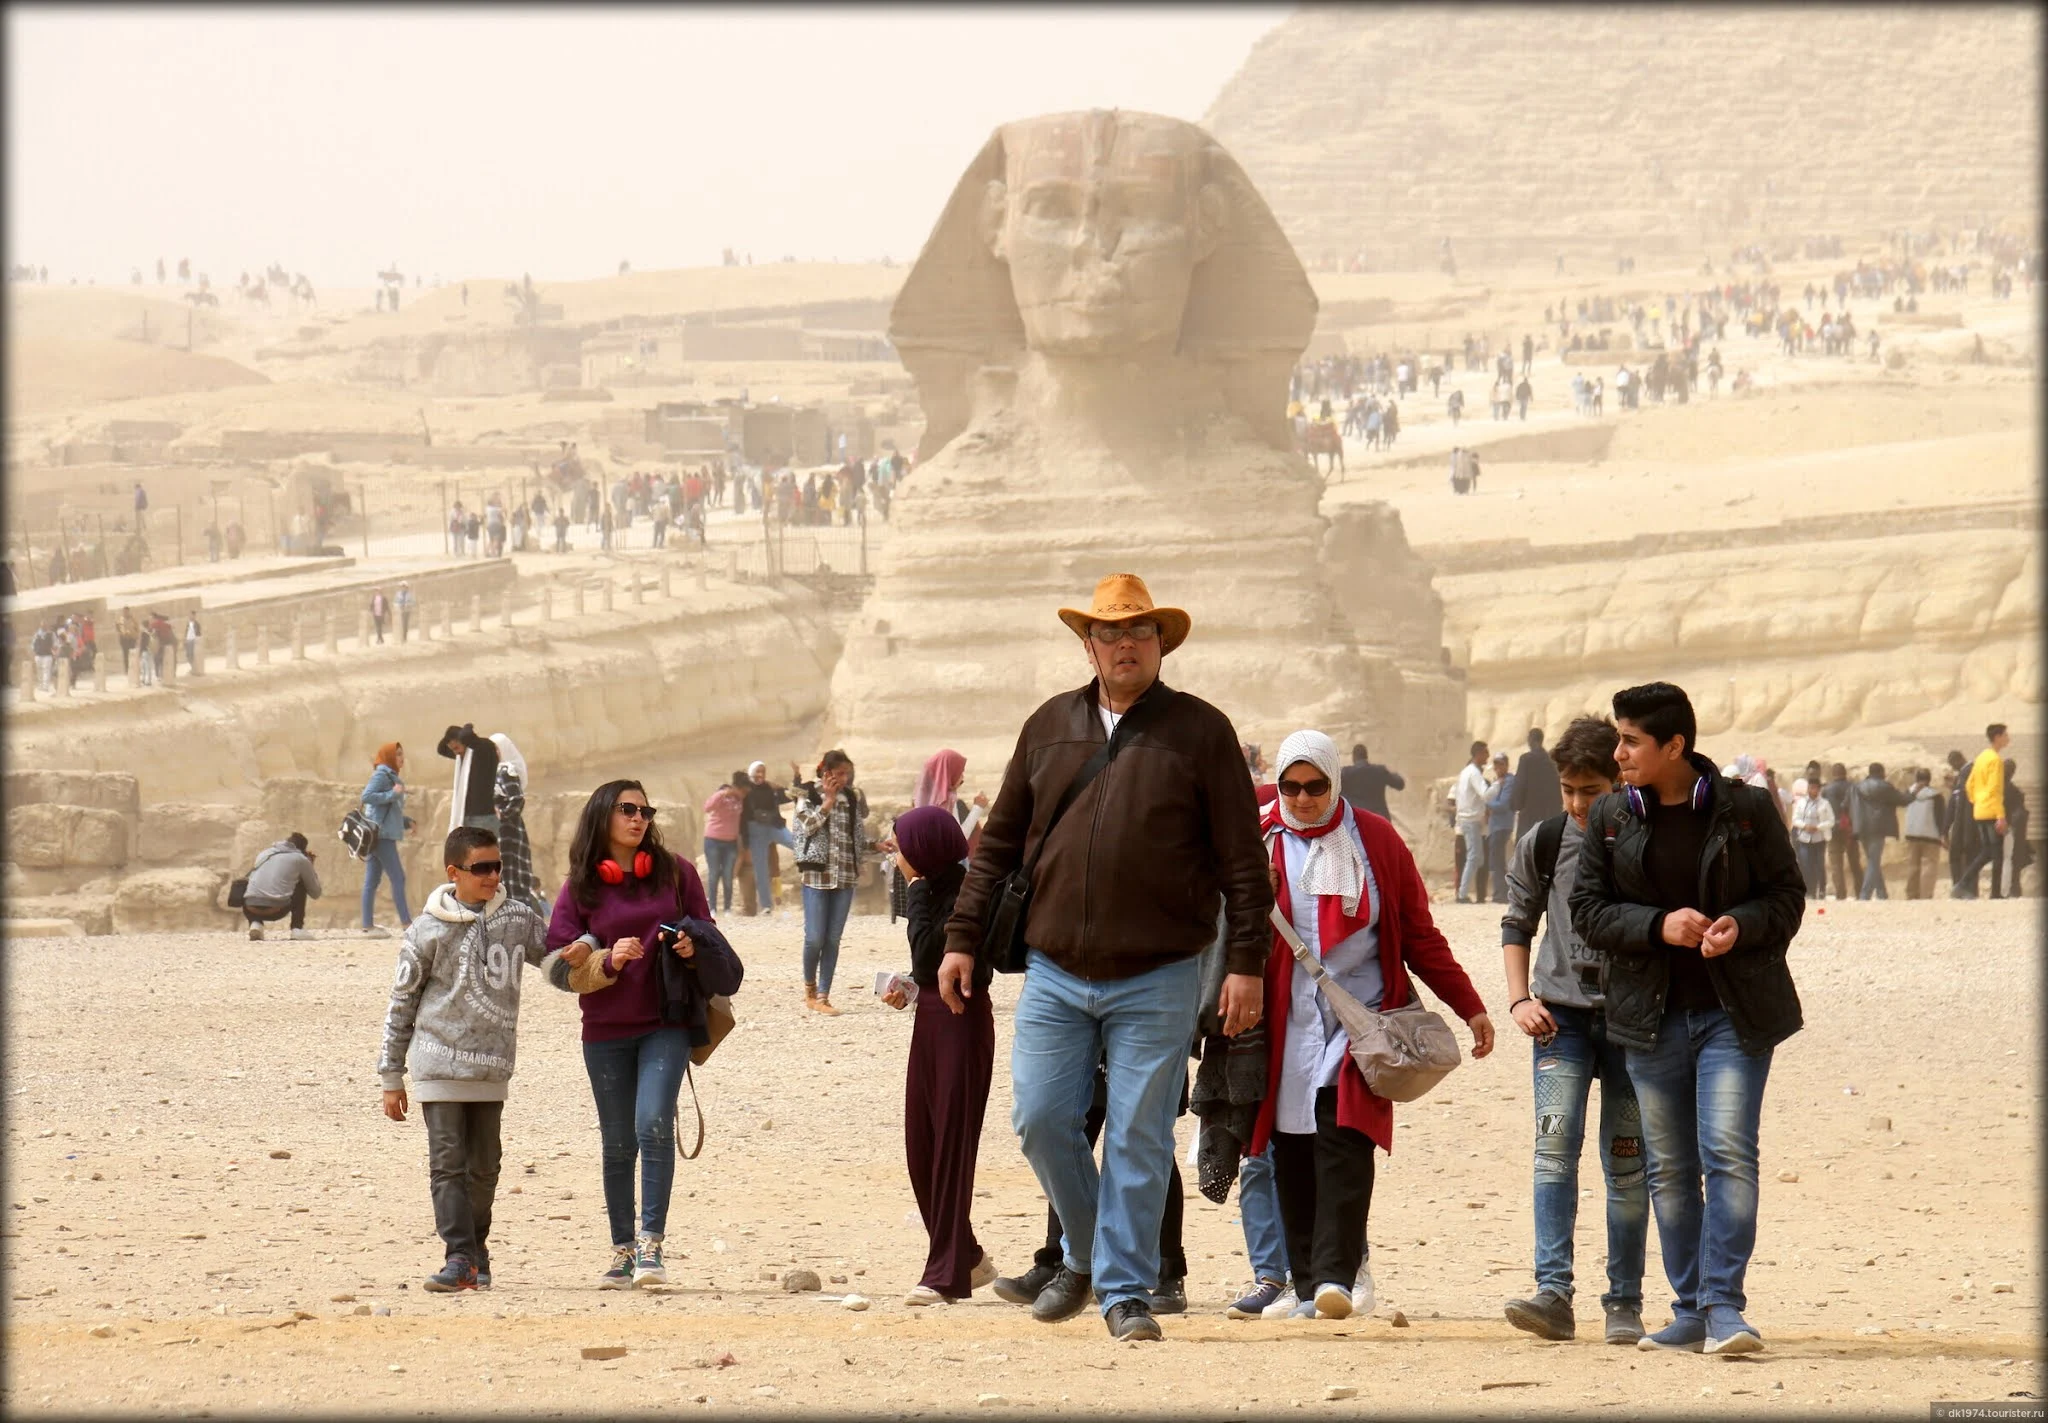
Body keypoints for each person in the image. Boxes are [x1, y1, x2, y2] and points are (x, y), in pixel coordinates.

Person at [941, 573, 1271, 1342]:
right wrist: (962, 938)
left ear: (1162, 643)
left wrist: (1245, 963)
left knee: (1138, 1133)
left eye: (1140, 631)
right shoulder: (1048, 725)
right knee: (1040, 1117)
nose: (1126, 643)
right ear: (1087, 644)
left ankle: (1125, 1290)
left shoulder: (1201, 731)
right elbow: (995, 846)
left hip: (1160, 972)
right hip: (1056, 968)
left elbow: (1243, 864)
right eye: (1111, 632)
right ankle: (1087, 1253)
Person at [1569, 682, 1806, 1357]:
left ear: (1675, 745)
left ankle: (1725, 1305)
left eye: (1631, 740)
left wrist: (1743, 923)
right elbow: (1587, 909)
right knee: (1669, 1167)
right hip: (1650, 1019)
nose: (1617, 752)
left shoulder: (1746, 809)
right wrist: (1657, 924)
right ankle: (1689, 1311)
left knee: (1729, 1153)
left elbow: (1787, 897)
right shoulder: (1614, 815)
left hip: (1734, 1013)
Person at [1249, 729, 1492, 1320]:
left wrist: (1470, 1006)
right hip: (1284, 1020)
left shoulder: (1375, 841)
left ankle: (1335, 1275)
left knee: (1343, 1136)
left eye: (1316, 787)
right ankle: (1305, 1284)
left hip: (1362, 1021)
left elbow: (1418, 935)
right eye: (1291, 787)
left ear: (1335, 783)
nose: (1303, 799)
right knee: (1291, 1146)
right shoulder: (1258, 839)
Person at [545, 779, 743, 1289]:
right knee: (616, 1142)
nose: (638, 818)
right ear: (602, 817)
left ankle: (652, 1245)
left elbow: (708, 931)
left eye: (645, 810)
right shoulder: (582, 886)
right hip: (605, 1029)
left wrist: (691, 948)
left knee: (653, 1122)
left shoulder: (677, 873)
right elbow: (555, 965)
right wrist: (603, 959)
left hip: (667, 1021)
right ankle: (622, 1251)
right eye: (627, 809)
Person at [1499, 714, 1648, 1345]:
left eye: (1592, 790)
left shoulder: (1647, 840)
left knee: (1627, 1165)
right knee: (1554, 1154)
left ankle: (1624, 1301)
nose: (1581, 804)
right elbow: (1517, 923)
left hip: (1633, 1025)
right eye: (1570, 790)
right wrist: (1516, 1000)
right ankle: (1552, 1292)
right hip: (1560, 1024)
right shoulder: (1544, 840)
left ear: (1618, 780)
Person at [377, 826, 552, 1292]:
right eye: (481, 868)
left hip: (491, 1068)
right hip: (436, 1066)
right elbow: (402, 1003)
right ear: (454, 872)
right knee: (448, 1164)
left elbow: (558, 963)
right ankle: (458, 1257)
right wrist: (391, 1075)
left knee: (486, 1167)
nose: (493, 876)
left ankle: (477, 1251)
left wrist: (599, 955)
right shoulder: (425, 931)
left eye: (498, 867)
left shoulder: (519, 919)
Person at [884, 805, 1000, 1305]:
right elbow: (926, 967)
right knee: (921, 1146)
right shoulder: (935, 887)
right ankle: (967, 1256)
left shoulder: (967, 893)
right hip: (930, 1022)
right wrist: (908, 989)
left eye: (901, 847)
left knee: (952, 1146)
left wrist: (913, 887)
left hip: (961, 1023)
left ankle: (945, 1273)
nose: (897, 857)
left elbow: (929, 951)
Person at [791, 749, 873, 1015]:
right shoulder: (806, 795)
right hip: (817, 876)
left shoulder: (851, 797)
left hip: (845, 877)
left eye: (847, 774)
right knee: (814, 938)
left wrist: (876, 846)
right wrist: (826, 801)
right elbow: (806, 827)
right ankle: (809, 989)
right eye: (839, 773)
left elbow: (855, 837)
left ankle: (824, 995)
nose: (844, 779)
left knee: (833, 939)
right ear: (825, 772)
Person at [359, 743, 415, 935]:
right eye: (398, 754)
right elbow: (367, 796)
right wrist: (394, 793)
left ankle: (367, 925)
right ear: (389, 756)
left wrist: (407, 822)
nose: (402, 758)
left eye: (402, 754)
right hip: (381, 835)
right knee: (398, 877)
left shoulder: (392, 776)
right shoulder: (382, 775)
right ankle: (407, 923)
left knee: (372, 880)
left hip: (381, 833)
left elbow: (389, 810)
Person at [1954, 724, 2013, 898]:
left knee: (1988, 851)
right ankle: (1993, 893)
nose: (2008, 738)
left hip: (1980, 810)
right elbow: (1995, 789)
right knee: (1996, 854)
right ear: (1997, 737)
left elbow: (1969, 785)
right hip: (1992, 811)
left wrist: (1977, 801)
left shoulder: (1981, 757)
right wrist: (2000, 816)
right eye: (2005, 735)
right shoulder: (1995, 760)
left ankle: (1963, 884)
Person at [492, 738, 545, 916]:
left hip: (510, 830)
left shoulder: (505, 770)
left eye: (496, 749)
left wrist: (502, 814)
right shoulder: (493, 772)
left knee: (513, 872)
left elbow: (516, 798)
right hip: (501, 830)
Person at [242, 832, 323, 940]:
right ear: (302, 850)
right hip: (276, 910)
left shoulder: (264, 854)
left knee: (255, 884)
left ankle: (256, 924)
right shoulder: (300, 859)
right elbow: (315, 893)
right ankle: (297, 929)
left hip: (250, 908)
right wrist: (309, 866)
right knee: (301, 884)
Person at [741, 761, 796, 915]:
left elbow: (790, 796)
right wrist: (745, 842)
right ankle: (766, 906)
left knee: (797, 845)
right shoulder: (745, 792)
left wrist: (795, 779)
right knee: (761, 870)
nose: (760, 775)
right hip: (755, 831)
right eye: (757, 771)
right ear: (751, 773)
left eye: (763, 772)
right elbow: (742, 817)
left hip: (774, 826)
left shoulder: (770, 788)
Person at [1849, 763, 1908, 900]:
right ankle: (1865, 895)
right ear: (1882, 772)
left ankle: (1882, 894)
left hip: (1862, 828)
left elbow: (1847, 805)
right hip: (1878, 828)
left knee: (1872, 861)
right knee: (1874, 862)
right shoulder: (1884, 787)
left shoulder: (1857, 787)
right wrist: (1912, 792)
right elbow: (1902, 800)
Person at [439, 724, 501, 834]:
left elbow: (482, 744)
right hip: (467, 817)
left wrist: (466, 733)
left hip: (484, 816)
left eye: (456, 747)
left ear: (465, 741)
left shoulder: (482, 752)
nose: (455, 753)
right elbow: (441, 749)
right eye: (452, 749)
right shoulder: (463, 756)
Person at [1900, 767, 1949, 900]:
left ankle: (1911, 894)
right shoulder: (1936, 796)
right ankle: (1925, 895)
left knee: (1912, 865)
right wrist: (1944, 836)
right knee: (1929, 865)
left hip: (1912, 834)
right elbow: (1940, 818)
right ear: (1929, 779)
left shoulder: (1908, 794)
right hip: (1930, 836)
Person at [701, 773, 745, 915]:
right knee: (714, 874)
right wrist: (723, 792)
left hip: (730, 843)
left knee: (727, 876)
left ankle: (727, 908)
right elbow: (707, 807)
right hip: (713, 841)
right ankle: (712, 908)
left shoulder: (739, 800)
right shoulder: (721, 797)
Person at [1454, 740, 1491, 903]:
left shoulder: (1466, 771)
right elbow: (1485, 794)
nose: (1488, 756)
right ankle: (1462, 894)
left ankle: (1464, 892)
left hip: (1469, 820)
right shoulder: (1474, 772)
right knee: (1474, 857)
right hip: (1471, 821)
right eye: (1485, 753)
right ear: (1478, 754)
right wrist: (1498, 784)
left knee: (1478, 858)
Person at [1511, 728, 1565, 839]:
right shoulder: (1552, 761)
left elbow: (1520, 784)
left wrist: (1516, 805)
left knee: (1526, 848)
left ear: (1531, 739)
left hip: (1529, 813)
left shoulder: (1526, 759)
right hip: (1549, 814)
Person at [1819, 763, 1862, 900]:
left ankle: (1840, 894)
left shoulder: (1826, 790)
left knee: (1836, 864)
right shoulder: (1853, 787)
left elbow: (1822, 810)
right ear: (1845, 773)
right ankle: (1860, 892)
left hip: (1833, 829)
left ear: (1833, 774)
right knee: (1854, 862)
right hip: (1850, 829)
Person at [1788, 778, 1832, 900]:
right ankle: (1810, 891)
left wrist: (1818, 827)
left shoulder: (1824, 804)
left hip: (1819, 838)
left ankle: (1821, 890)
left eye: (1815, 788)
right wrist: (1805, 826)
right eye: (1811, 787)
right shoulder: (1802, 803)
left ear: (1818, 789)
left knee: (1819, 865)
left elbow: (1831, 820)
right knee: (1806, 865)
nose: (1813, 790)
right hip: (1804, 839)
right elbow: (1795, 819)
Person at [1339, 743, 1405, 822]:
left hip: (1358, 823)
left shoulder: (1345, 774)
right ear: (1366, 756)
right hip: (1380, 821)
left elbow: (1334, 793)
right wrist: (1392, 773)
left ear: (1353, 758)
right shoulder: (1379, 771)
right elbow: (1400, 784)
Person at [1486, 752, 1518, 905]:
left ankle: (1501, 894)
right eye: (1496, 765)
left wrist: (1486, 806)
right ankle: (1501, 892)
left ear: (1506, 764)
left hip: (1501, 825)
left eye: (1501, 764)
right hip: (1496, 826)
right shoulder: (1499, 781)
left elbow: (1503, 804)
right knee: (1497, 859)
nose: (1498, 768)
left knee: (1497, 860)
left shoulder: (1510, 781)